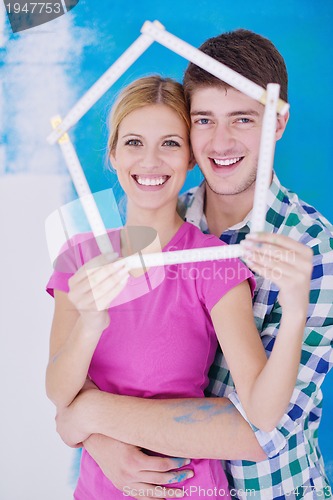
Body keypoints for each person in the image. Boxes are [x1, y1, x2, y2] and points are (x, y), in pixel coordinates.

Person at [55, 30, 333, 499]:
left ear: (278, 122)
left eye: (243, 118)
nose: (220, 142)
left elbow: (261, 429)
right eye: (204, 120)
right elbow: (75, 383)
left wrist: (89, 416)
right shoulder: (159, 219)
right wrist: (97, 435)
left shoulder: (312, 249)